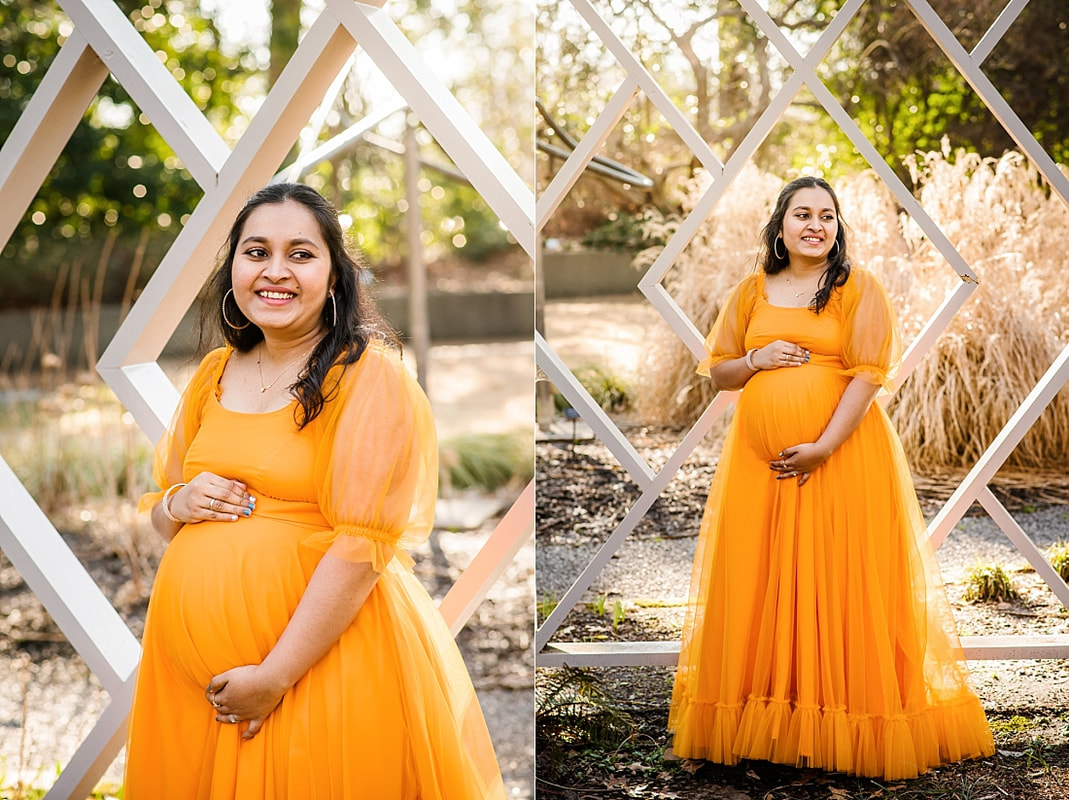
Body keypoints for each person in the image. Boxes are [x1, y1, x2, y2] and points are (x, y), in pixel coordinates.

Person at [125, 183, 506, 799]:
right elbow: (165, 510)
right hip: (192, 690)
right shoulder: (213, 374)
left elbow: (362, 550)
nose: (275, 272)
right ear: (233, 271)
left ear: (335, 276)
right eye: (256, 252)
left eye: (300, 254)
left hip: (312, 676)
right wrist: (178, 502)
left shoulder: (367, 379)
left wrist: (273, 676)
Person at [667, 176, 994, 779]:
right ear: (780, 226)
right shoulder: (750, 292)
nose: (815, 225)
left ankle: (841, 720)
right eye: (802, 215)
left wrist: (821, 446)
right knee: (762, 579)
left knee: (837, 578)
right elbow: (720, 374)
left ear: (838, 228)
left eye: (827, 215)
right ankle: (770, 719)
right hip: (757, 469)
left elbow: (867, 379)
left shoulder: (856, 289)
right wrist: (755, 361)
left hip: (840, 459)